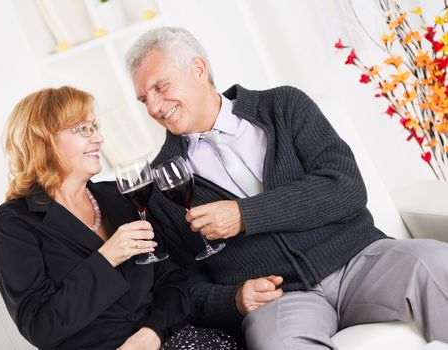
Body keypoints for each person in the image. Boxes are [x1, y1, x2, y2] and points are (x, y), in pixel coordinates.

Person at [124, 26, 448, 349]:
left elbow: (345, 187)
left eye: (160, 87)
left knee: (436, 262)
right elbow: (183, 285)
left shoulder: (284, 105)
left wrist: (245, 215)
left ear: (198, 69)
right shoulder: (161, 182)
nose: (153, 106)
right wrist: (233, 299)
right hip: (280, 299)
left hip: (359, 259)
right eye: (144, 99)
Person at [0, 86, 241, 350]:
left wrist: (152, 332)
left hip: (170, 339)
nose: (98, 138)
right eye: (83, 129)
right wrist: (107, 257)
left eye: (95, 127)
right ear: (43, 140)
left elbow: (172, 280)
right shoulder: (16, 222)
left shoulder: (119, 196)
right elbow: (41, 327)